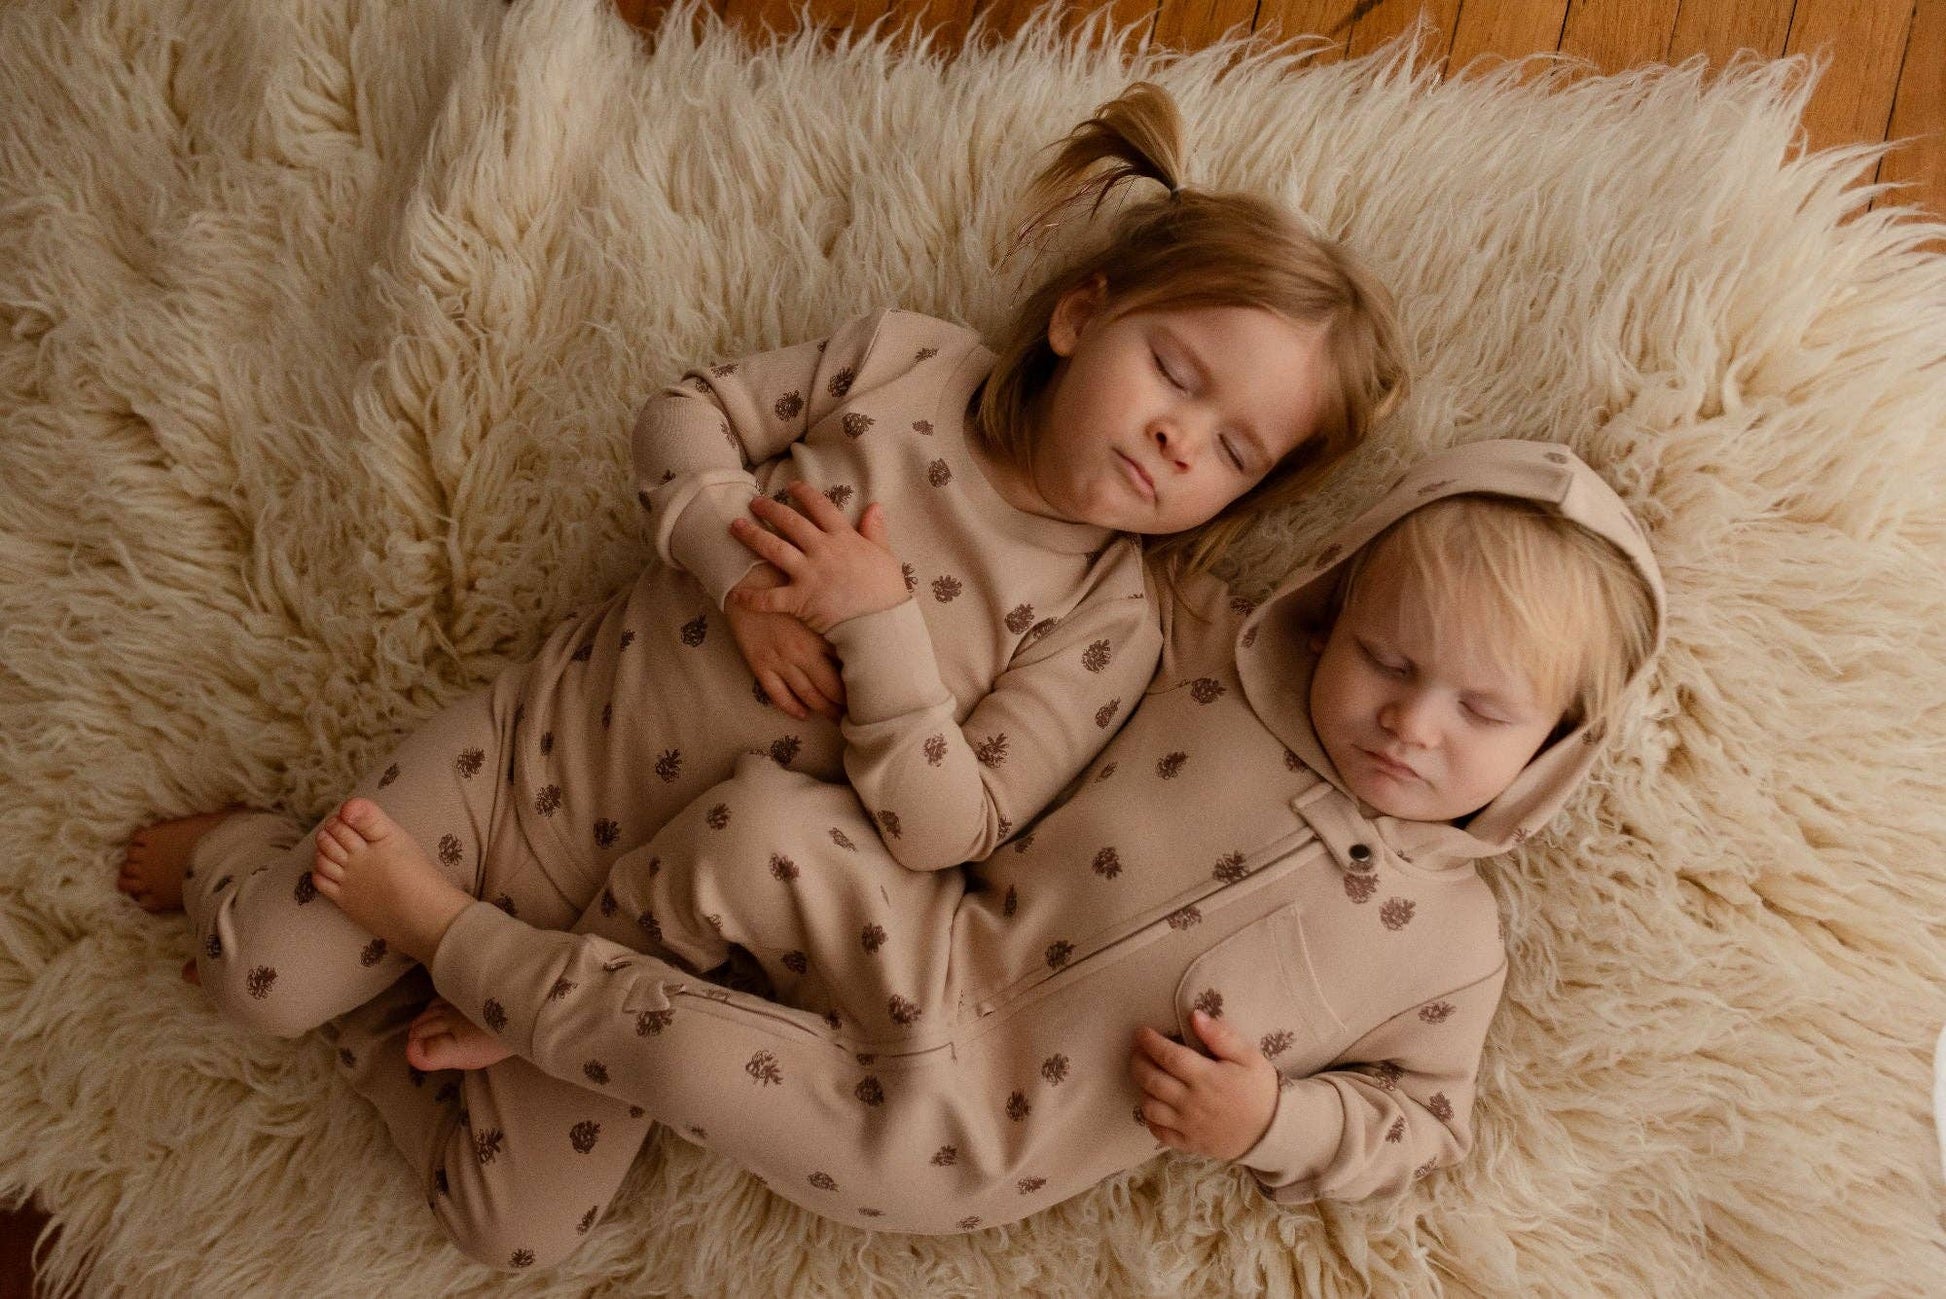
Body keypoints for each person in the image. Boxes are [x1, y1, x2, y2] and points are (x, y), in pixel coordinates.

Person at [113, 79, 1404, 1233]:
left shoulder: (1109, 620)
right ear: (1080, 314)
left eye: (1235, 450)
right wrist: (738, 580)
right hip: (528, 772)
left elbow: (949, 826)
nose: (1183, 441)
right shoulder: (904, 368)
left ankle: (426, 984)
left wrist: (875, 622)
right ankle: (244, 849)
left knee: (516, 1226)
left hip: (645, 956)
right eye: (1176, 375)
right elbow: (682, 418)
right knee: (262, 978)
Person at [301, 438, 1664, 1266]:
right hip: (922, 928)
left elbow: (1421, 1129)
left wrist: (1271, 1122)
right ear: (1332, 609)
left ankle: (458, 950)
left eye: (1481, 714)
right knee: (762, 819)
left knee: (664, 1045)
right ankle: (548, 986)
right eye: (1384, 659)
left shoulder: (1452, 946)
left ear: (1555, 746)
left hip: (958, 1137)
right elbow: (1112, 569)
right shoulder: (1208, 664)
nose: (1409, 727)